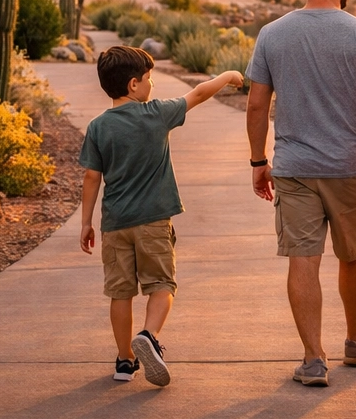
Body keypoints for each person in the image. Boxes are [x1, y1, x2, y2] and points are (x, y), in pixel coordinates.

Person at [246, 0, 356, 387]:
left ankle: (313, 359)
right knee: (353, 257)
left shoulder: (272, 33)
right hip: (351, 166)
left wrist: (258, 160)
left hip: (293, 167)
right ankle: (354, 340)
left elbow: (256, 106)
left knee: (302, 260)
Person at [79, 45, 242, 387]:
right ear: (134, 84)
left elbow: (92, 178)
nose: (153, 86)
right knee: (163, 285)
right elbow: (198, 93)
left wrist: (86, 223)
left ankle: (125, 361)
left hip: (115, 224)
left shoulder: (97, 128)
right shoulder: (156, 113)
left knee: (120, 293)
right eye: (150, 79)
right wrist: (228, 77)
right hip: (153, 221)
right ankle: (149, 336)